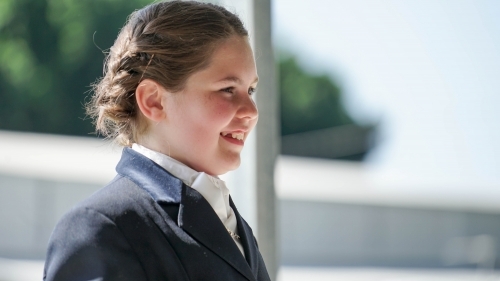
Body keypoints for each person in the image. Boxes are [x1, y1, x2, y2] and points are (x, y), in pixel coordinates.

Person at [43, 1, 270, 280]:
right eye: (227, 89)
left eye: (251, 90)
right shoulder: (99, 229)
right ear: (153, 101)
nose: (252, 112)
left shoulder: (233, 224)